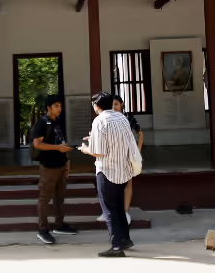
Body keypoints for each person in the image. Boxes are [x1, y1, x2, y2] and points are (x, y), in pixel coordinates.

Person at [79, 92, 142, 258]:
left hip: (107, 171)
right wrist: (93, 139)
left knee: (109, 210)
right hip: (123, 170)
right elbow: (126, 140)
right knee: (119, 208)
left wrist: (85, 149)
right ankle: (126, 240)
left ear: (97, 106)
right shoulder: (121, 118)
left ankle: (116, 246)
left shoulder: (99, 120)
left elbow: (98, 152)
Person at [30, 95, 79, 245]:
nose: (59, 108)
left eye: (60, 105)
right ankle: (42, 229)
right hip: (48, 166)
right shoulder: (42, 123)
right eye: (56, 106)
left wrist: (67, 160)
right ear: (49, 108)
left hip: (61, 164)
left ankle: (59, 224)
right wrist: (57, 148)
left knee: (60, 196)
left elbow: (61, 141)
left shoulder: (58, 121)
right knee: (45, 197)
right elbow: (37, 144)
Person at [111, 96, 143, 225]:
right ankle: (113, 211)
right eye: (112, 105)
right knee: (113, 183)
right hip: (113, 154)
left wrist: (138, 150)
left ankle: (125, 211)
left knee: (128, 183)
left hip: (128, 153)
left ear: (122, 104)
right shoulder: (109, 118)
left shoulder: (128, 117)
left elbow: (140, 133)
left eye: (116, 104)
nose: (114, 107)